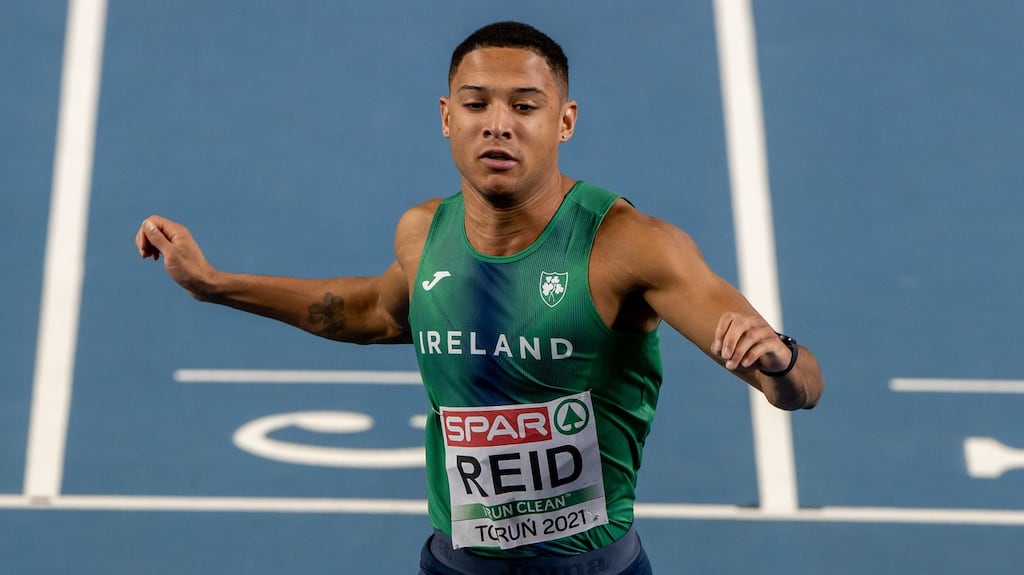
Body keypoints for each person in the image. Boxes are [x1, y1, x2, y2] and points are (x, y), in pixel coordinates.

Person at [135, 21, 822, 575]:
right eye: (476, 104)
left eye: (525, 106)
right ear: (446, 116)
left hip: (590, 569)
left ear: (565, 121)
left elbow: (798, 390)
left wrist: (781, 358)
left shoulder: (630, 245)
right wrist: (213, 283)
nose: (498, 124)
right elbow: (373, 312)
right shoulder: (422, 234)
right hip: (456, 563)